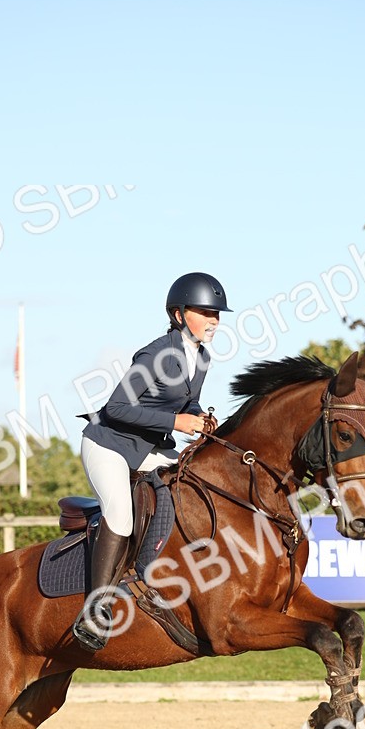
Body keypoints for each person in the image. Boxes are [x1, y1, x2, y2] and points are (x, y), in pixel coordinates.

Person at [72, 271, 231, 651]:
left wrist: (200, 417)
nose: (213, 320)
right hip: (108, 444)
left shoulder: (202, 357)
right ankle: (95, 610)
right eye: (204, 312)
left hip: (148, 447)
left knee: (194, 486)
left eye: (217, 314)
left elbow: (185, 402)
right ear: (178, 315)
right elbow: (117, 406)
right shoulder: (156, 354)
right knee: (121, 515)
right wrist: (177, 422)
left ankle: (153, 574)